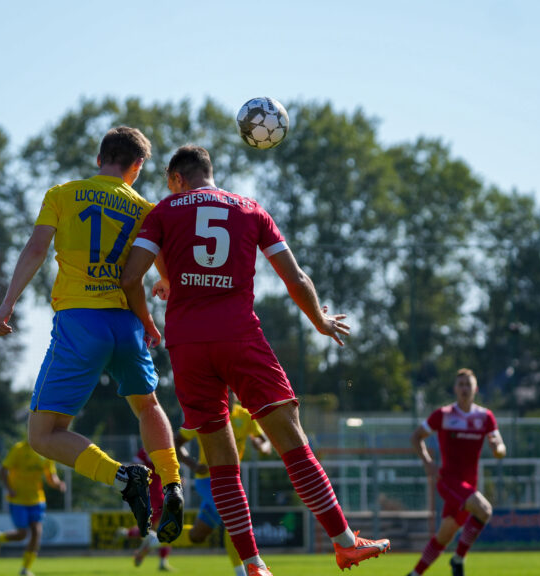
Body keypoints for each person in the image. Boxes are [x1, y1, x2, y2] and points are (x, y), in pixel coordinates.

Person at [121, 145, 390, 576]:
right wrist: (320, 321)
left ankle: (252, 563)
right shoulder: (249, 209)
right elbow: (294, 277)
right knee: (293, 443)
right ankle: (344, 543)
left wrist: (149, 320)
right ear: (209, 172)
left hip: (187, 344)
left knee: (221, 463)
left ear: (176, 179)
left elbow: (131, 276)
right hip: (239, 337)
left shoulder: (164, 211)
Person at [0, 126, 183, 543]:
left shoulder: (63, 194)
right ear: (137, 167)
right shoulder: (146, 210)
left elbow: (36, 249)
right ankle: (171, 484)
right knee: (148, 406)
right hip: (127, 324)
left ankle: (122, 477)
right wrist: (160, 293)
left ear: (99, 159)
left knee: (43, 435)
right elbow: (160, 272)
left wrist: (8, 303)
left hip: (80, 323)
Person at [407, 368, 506, 576]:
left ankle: (415, 574)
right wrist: (427, 462)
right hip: (449, 481)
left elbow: (500, 448)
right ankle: (458, 559)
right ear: (455, 389)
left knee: (445, 535)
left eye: (468, 384)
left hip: (469, 485)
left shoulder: (485, 416)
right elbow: (416, 437)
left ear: (476, 389)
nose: (464, 388)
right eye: (461, 384)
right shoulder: (443, 415)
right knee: (485, 510)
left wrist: (498, 448)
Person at [175, 397, 271, 576]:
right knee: (233, 518)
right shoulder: (203, 413)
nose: (228, 391)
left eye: (230, 388)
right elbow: (177, 442)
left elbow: (265, 442)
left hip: (232, 480)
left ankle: (156, 539)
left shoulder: (245, 415)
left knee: (197, 536)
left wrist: (261, 446)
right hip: (207, 480)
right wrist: (193, 465)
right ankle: (243, 573)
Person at [0, 440, 67, 576]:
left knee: (37, 532)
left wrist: (58, 484)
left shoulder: (46, 452)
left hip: (37, 500)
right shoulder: (19, 449)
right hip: (18, 499)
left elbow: (51, 476)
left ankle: (25, 569)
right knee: (22, 534)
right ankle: (0, 538)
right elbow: (3, 469)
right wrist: (9, 489)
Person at [126, 447, 175, 572]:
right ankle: (129, 535)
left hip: (159, 495)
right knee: (160, 529)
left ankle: (157, 558)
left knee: (163, 528)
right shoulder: (150, 450)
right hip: (153, 496)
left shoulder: (159, 448)